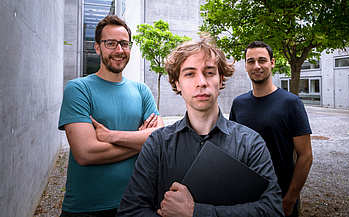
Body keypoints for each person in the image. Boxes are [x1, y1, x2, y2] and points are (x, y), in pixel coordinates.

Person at [116, 37, 284, 217]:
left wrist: (193, 212)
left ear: (221, 80)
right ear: (177, 84)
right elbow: (129, 211)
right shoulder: (157, 144)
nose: (201, 82)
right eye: (190, 73)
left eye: (209, 72)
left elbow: (273, 210)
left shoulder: (251, 143)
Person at [58, 15, 164, 216]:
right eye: (111, 43)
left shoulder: (142, 90)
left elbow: (158, 139)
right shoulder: (79, 89)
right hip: (87, 208)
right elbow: (86, 153)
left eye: (124, 44)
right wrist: (139, 141)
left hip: (136, 203)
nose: (119, 50)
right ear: (97, 47)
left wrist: (111, 136)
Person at [229, 41, 313, 217]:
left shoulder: (291, 104)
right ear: (245, 65)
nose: (256, 66)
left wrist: (290, 199)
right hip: (245, 198)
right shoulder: (238, 104)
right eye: (251, 61)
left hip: (280, 199)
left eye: (262, 60)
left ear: (272, 63)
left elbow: (305, 156)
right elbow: (233, 149)